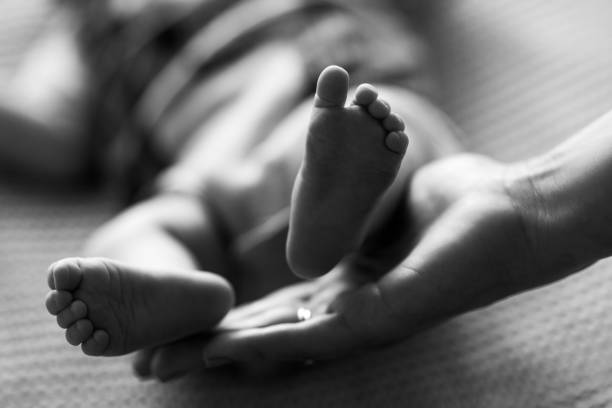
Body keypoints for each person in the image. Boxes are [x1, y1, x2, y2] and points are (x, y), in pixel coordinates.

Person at [39, 0, 460, 377]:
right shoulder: (80, 23)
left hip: (326, 77)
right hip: (204, 160)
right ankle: (175, 287)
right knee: (134, 233)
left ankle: (329, 209)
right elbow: (55, 134)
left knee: (376, 124)